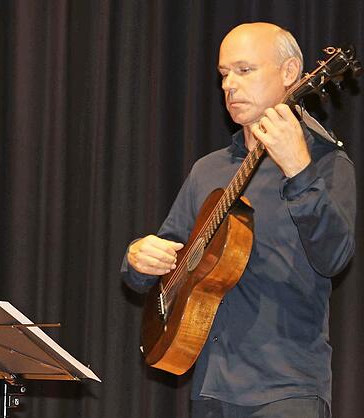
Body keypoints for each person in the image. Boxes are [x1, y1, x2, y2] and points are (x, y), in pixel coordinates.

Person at [121, 22, 355, 417]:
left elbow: (335, 258)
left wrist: (299, 171)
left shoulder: (328, 164)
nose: (229, 85)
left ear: (290, 72)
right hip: (211, 390)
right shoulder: (208, 170)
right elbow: (161, 268)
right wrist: (138, 257)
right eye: (224, 74)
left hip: (287, 390)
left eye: (244, 71)